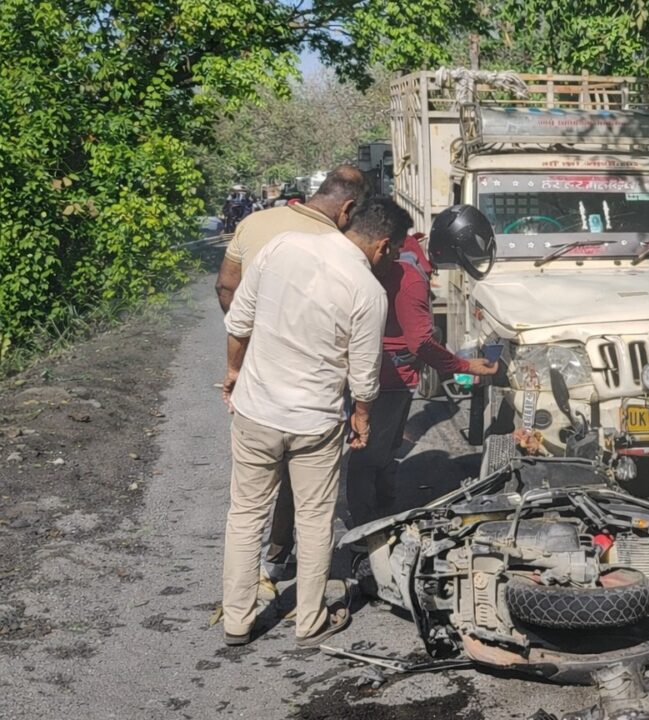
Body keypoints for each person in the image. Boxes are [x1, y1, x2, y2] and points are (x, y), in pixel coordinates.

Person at [218, 199, 404, 648]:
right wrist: (361, 418)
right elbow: (364, 376)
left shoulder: (283, 246)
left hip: (257, 410)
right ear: (382, 245)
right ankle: (309, 621)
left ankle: (237, 622)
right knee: (316, 519)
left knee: (246, 515)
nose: (392, 260)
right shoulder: (368, 290)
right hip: (315, 422)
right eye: (395, 252)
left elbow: (239, 321)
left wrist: (234, 372)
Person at [214, 166, 369, 585]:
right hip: (315, 388)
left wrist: (242, 355)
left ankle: (240, 602)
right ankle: (280, 558)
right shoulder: (340, 247)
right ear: (348, 208)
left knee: (248, 496)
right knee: (304, 484)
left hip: (256, 373)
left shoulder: (255, 223)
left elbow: (226, 288)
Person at [346, 227, 499, 528]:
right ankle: (366, 526)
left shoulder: (408, 249)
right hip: (390, 379)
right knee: (372, 453)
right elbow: (421, 343)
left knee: (385, 449)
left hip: (385, 370)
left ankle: (384, 506)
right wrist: (465, 366)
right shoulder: (412, 278)